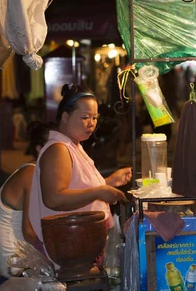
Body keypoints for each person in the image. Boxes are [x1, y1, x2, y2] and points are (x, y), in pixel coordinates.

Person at [28, 84, 132, 262]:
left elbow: (77, 188)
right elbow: (54, 198)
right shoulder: (58, 149)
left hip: (79, 243)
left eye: (94, 118)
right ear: (66, 117)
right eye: (85, 117)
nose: (91, 123)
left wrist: (108, 182)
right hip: (66, 248)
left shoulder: (74, 145)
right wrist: (98, 192)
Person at [0, 120, 55, 278]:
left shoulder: (36, 170)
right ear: (40, 149)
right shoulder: (31, 175)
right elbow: (29, 232)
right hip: (14, 263)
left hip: (22, 255)